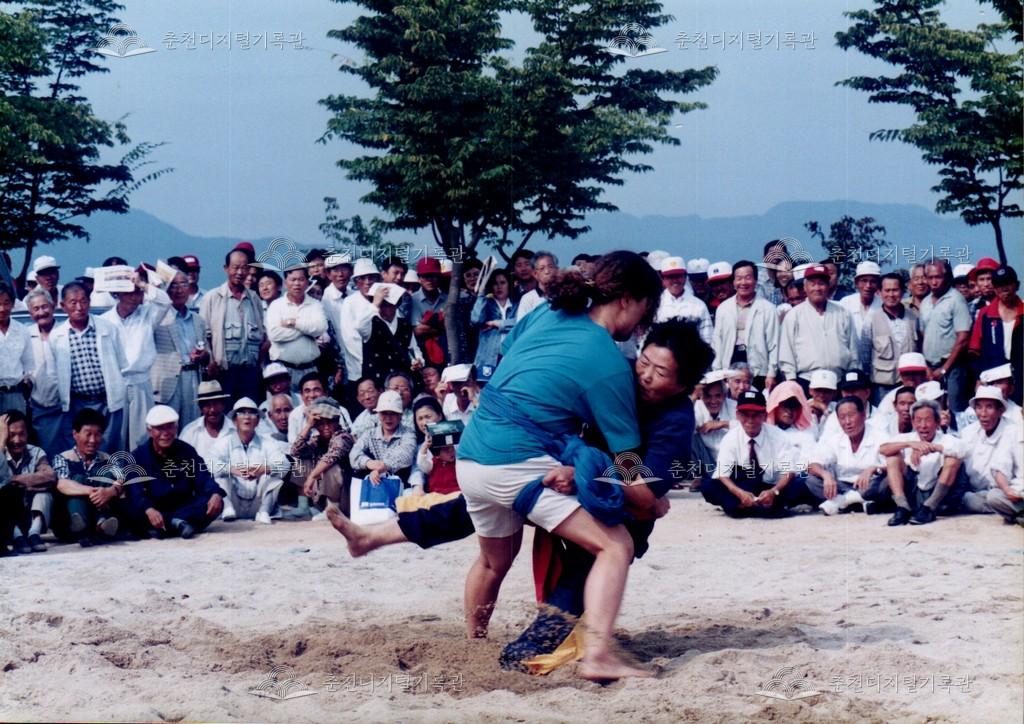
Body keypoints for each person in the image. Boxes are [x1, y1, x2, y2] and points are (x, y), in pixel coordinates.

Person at [455, 250, 661, 680]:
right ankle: (598, 656)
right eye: (646, 308)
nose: (645, 321)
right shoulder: (608, 363)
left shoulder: (548, 312)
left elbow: (510, 352)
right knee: (615, 545)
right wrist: (652, 501)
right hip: (514, 461)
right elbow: (626, 463)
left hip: (470, 452)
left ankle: (472, 644)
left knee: (493, 561)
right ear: (627, 300)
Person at [701, 389, 812, 518]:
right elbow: (722, 474)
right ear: (737, 415)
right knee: (709, 486)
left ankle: (742, 508)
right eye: (745, 415)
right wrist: (739, 493)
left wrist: (774, 491)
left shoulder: (778, 436)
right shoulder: (730, 438)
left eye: (756, 415)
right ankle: (762, 508)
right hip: (744, 486)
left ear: (764, 415)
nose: (750, 420)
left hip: (772, 485)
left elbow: (788, 472)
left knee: (800, 485)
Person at [124, 405, 225, 539]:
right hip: (153, 510)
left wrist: (215, 493)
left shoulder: (186, 451)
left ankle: (171, 525)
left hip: (184, 507)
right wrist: (149, 509)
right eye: (160, 428)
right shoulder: (138, 456)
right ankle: (178, 524)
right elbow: (135, 491)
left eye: (170, 427)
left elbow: (204, 477)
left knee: (215, 502)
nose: (166, 433)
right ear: (150, 431)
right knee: (126, 508)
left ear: (176, 428)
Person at [53, 282, 130, 453]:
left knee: (108, 445)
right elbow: (55, 374)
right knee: (81, 447)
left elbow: (122, 363)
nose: (79, 307)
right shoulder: (57, 335)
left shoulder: (107, 328)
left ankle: (109, 472)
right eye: (73, 302)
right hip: (77, 402)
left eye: (83, 301)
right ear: (63, 306)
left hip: (106, 400)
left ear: (89, 302)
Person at [102, 270, 172, 448]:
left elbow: (165, 301)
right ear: (118, 294)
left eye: (138, 292)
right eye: (130, 292)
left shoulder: (148, 315)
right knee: (114, 436)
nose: (135, 297)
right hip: (115, 383)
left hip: (141, 383)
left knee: (142, 438)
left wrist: (142, 284)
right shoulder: (104, 321)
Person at [881, 399, 968, 526]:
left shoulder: (948, 439)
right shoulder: (907, 438)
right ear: (913, 422)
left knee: (953, 459)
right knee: (892, 457)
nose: (923, 425)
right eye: (918, 420)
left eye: (928, 420)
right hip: (915, 493)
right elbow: (883, 449)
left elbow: (963, 452)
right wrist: (910, 444)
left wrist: (933, 448)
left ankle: (929, 508)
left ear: (937, 422)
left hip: (941, 497)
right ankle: (902, 507)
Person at [50, 408, 125, 546]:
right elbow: (62, 484)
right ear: (75, 434)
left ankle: (101, 524)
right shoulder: (62, 458)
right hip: (69, 521)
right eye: (88, 434)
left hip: (101, 512)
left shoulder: (109, 459)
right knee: (77, 480)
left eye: (97, 434)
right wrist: (93, 491)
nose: (93, 440)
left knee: (108, 475)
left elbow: (122, 479)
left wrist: (110, 491)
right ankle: (81, 529)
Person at [805, 396, 890, 516]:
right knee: (809, 478)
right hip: (842, 486)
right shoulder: (835, 439)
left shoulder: (880, 436)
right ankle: (857, 501)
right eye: (842, 417)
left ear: (863, 415)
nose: (847, 422)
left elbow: (895, 465)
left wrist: (874, 469)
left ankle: (842, 502)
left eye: (851, 415)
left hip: (870, 484)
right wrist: (825, 475)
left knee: (888, 480)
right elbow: (812, 464)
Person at [199, 249, 265, 403]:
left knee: (249, 412)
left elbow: (262, 335)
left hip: (250, 372)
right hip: (223, 372)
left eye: (244, 268)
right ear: (226, 268)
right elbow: (203, 334)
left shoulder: (254, 299)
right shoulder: (212, 298)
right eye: (235, 267)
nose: (240, 272)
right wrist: (211, 362)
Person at [212, 398, 290, 524]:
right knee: (220, 476)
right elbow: (209, 464)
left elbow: (285, 464)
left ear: (258, 421)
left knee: (273, 477)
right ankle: (227, 509)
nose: (247, 417)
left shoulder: (268, 442)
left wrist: (263, 470)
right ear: (234, 421)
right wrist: (233, 470)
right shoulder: (224, 442)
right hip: (233, 501)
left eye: (252, 413)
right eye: (242, 413)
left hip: (258, 502)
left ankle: (264, 512)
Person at [779, 264, 858, 386]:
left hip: (839, 380)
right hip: (806, 380)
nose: (817, 288)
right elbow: (786, 353)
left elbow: (853, 351)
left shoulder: (843, 313)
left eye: (821, 284)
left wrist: (852, 378)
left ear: (828, 286)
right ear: (805, 287)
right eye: (813, 284)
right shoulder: (794, 315)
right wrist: (791, 381)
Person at [151, 267, 207, 426]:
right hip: (167, 382)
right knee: (167, 426)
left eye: (183, 284)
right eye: (173, 285)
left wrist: (203, 355)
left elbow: (206, 350)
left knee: (192, 426)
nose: (179, 290)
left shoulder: (198, 320)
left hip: (193, 378)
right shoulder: (157, 318)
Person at [711, 260, 779, 390]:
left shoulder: (768, 308)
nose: (743, 282)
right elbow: (717, 342)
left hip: (759, 368)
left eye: (748, 278)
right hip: (730, 364)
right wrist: (717, 370)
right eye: (739, 278)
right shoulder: (723, 308)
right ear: (733, 282)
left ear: (755, 280)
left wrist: (772, 373)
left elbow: (774, 344)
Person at [919, 259, 972, 413]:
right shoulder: (925, 302)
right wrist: (926, 366)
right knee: (932, 410)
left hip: (952, 367)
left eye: (938, 277)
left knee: (954, 410)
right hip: (930, 367)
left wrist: (944, 369)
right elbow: (923, 334)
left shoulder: (956, 300)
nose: (934, 282)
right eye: (930, 277)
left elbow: (963, 338)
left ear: (947, 277)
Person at [265, 264, 329, 389]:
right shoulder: (276, 305)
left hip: (310, 369)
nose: (297, 284)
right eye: (293, 280)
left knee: (312, 401)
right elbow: (274, 334)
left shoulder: (315, 304)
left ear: (307, 282)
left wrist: (294, 324)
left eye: (301, 279)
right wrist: (307, 330)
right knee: (284, 401)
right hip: (282, 370)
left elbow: (321, 328)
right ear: (285, 283)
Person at [290, 396, 355, 518]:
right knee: (301, 462)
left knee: (329, 467)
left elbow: (330, 458)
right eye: (320, 423)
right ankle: (304, 506)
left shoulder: (344, 437)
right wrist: (308, 426)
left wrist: (312, 476)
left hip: (346, 496)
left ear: (337, 421)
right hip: (320, 494)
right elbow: (295, 451)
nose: (325, 427)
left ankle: (333, 510)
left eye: (329, 422)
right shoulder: (318, 440)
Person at [1, 411, 56, 554]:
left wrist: (14, 480)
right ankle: (17, 537)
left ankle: (34, 534)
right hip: (8, 521)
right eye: (11, 435)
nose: (17, 440)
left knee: (44, 494)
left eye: (22, 434)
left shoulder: (35, 452)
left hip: (30, 514)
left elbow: (50, 476)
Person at [959, 386, 1019, 514]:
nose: (983, 413)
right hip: (978, 493)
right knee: (969, 499)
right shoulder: (968, 432)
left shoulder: (1013, 431)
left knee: (993, 497)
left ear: (1000, 410)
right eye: (979, 407)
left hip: (1008, 491)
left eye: (989, 407)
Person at [358, 282, 423, 387]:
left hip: (402, 379)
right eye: (381, 305)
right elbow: (359, 326)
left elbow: (413, 349)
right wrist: (374, 304)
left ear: (396, 305)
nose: (383, 309)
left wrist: (418, 361)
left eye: (388, 305)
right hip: (379, 381)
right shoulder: (370, 323)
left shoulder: (404, 325)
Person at [337, 258, 382, 404]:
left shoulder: (383, 299)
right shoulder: (350, 302)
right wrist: (367, 362)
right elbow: (350, 338)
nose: (367, 282)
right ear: (356, 282)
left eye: (371, 277)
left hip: (382, 365)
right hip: (359, 367)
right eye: (362, 278)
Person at [349, 389, 416, 484]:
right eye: (384, 413)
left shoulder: (408, 433)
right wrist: (368, 463)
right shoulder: (370, 434)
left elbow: (406, 455)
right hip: (375, 482)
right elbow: (354, 453)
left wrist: (382, 467)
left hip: (401, 483)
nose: (388, 418)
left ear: (400, 415)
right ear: (378, 414)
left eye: (393, 413)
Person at [25, 289, 63, 454]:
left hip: (67, 408)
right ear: (30, 313)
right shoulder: (26, 335)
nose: (41, 312)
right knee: (46, 454)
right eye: (36, 309)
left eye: (44, 306)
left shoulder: (65, 331)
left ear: (53, 306)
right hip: (40, 410)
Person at [968, 266, 1022, 383]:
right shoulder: (985, 314)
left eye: (1008, 283)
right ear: (995, 288)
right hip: (994, 377)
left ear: (1017, 285)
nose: (1004, 288)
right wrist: (978, 379)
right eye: (999, 285)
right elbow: (975, 351)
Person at [869, 273, 921, 394]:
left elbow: (920, 348)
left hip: (910, 381)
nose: (891, 295)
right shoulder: (871, 319)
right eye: (887, 290)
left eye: (895, 290)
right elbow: (865, 354)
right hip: (882, 384)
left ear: (903, 291)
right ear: (879, 292)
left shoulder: (914, 317)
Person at [653, 256, 713, 343]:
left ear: (685, 277)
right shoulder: (654, 304)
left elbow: (708, 339)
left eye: (678, 276)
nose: (675, 280)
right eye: (670, 277)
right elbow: (645, 337)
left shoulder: (699, 305)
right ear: (663, 279)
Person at [839, 261, 883, 377]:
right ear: (856, 282)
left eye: (873, 281)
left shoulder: (883, 305)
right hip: (850, 368)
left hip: (878, 369)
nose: (868, 286)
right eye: (864, 281)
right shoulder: (845, 303)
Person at [179, 381, 233, 470]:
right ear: (201, 408)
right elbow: (181, 463)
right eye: (207, 405)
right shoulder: (189, 432)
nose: (212, 410)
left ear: (223, 405)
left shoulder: (236, 431)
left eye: (216, 403)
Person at [471, 268, 517, 371]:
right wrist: (481, 294)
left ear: (509, 284)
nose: (499, 287)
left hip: (511, 356)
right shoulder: (486, 303)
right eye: (495, 283)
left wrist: (497, 323)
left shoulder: (516, 304)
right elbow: (476, 320)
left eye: (502, 283)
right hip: (488, 358)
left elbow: (520, 323)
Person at [0, 283, 34, 414]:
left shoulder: (22, 330)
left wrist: (28, 380)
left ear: (13, 304)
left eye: (6, 303)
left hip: (15, 395)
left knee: (17, 427)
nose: (2, 308)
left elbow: (29, 363)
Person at [411, 257, 449, 367]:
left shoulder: (447, 299)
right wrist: (441, 328)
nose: (430, 280)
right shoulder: (413, 300)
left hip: (446, 349)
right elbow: (417, 330)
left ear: (439, 277)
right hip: (421, 352)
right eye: (425, 276)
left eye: (433, 276)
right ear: (419, 278)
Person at [516, 252, 558, 322]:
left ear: (557, 270)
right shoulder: (528, 299)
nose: (547, 271)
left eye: (550, 267)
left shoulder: (564, 295)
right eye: (542, 268)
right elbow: (522, 325)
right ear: (535, 274)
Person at [806, 369, 838, 440]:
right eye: (818, 390)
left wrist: (825, 410)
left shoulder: (838, 408)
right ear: (810, 391)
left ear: (834, 393)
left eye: (827, 391)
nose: (822, 395)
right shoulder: (801, 407)